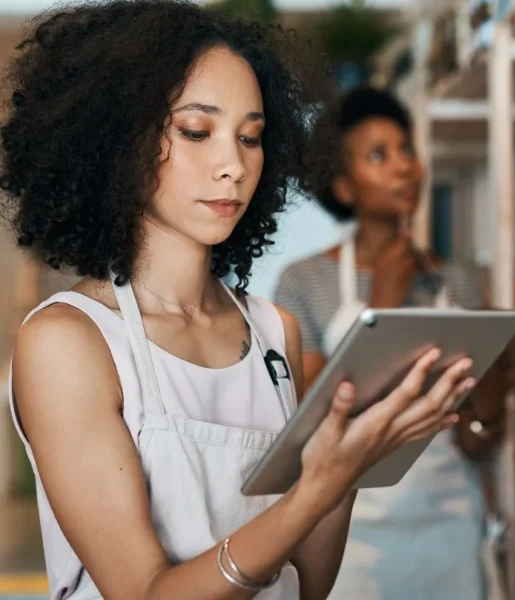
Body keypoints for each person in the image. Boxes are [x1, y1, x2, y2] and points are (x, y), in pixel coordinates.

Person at [0, 4, 478, 599]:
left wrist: (347, 465)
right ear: (119, 141)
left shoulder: (275, 333)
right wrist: (315, 489)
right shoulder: (69, 342)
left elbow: (309, 582)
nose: (233, 165)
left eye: (250, 137)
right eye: (197, 131)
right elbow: (146, 593)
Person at [274, 86, 515, 600]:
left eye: (406, 150)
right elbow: (312, 422)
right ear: (344, 187)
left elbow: (476, 444)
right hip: (351, 534)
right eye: (378, 155)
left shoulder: (454, 283)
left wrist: (495, 390)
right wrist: (386, 305)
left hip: (450, 526)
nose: (404, 168)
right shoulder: (303, 282)